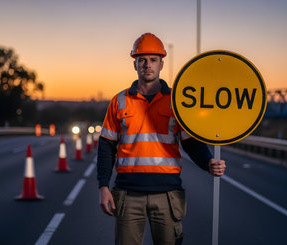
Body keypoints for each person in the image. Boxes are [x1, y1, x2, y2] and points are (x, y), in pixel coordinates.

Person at [97, 32, 226, 245]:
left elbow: (190, 142)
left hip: (167, 194)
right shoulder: (119, 101)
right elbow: (106, 146)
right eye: (142, 60)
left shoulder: (178, 101)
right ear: (135, 64)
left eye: (153, 60)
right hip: (128, 194)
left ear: (161, 64)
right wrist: (103, 186)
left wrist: (208, 162)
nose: (147, 64)